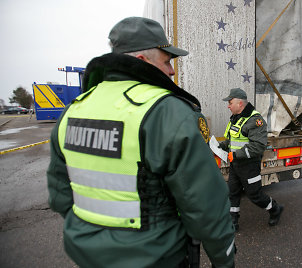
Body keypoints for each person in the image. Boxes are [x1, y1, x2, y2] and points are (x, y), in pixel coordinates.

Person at [47, 17, 235, 268]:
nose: (171, 70)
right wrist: (224, 259)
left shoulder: (72, 112)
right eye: (167, 61)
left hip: (86, 255)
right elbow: (205, 207)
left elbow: (60, 197)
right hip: (155, 258)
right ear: (141, 61)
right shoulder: (167, 112)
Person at [219, 88, 284, 231]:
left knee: (254, 195)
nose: (228, 106)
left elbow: (258, 146)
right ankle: (233, 222)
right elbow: (231, 141)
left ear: (240, 103)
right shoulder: (235, 118)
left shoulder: (255, 120)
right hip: (236, 165)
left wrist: (236, 155)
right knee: (233, 192)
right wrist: (218, 146)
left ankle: (275, 209)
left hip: (249, 165)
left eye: (230, 103)